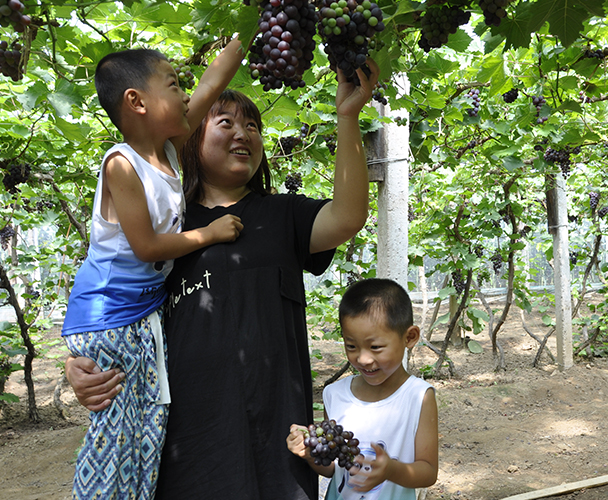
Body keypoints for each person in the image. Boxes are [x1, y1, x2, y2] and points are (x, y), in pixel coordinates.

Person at [66, 59, 380, 500]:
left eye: (253, 126)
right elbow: (122, 303)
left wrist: (347, 117)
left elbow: (348, 217)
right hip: (190, 442)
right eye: (226, 122)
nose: (243, 133)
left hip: (278, 435)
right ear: (189, 139)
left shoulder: (283, 214)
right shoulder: (170, 229)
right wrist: (80, 363)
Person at [61, 38, 246, 500]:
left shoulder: (166, 148)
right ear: (136, 102)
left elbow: (213, 82)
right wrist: (210, 233)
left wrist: (254, 24)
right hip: (109, 315)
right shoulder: (122, 165)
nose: (187, 95)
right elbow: (145, 246)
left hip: (139, 313)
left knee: (147, 428)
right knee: (115, 438)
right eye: (174, 84)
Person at [287, 278, 439, 500]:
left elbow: (428, 472)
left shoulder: (418, 397)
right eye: (351, 346)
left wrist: (391, 470)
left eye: (375, 347)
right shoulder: (334, 394)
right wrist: (310, 453)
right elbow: (332, 468)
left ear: (409, 337)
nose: (363, 358)